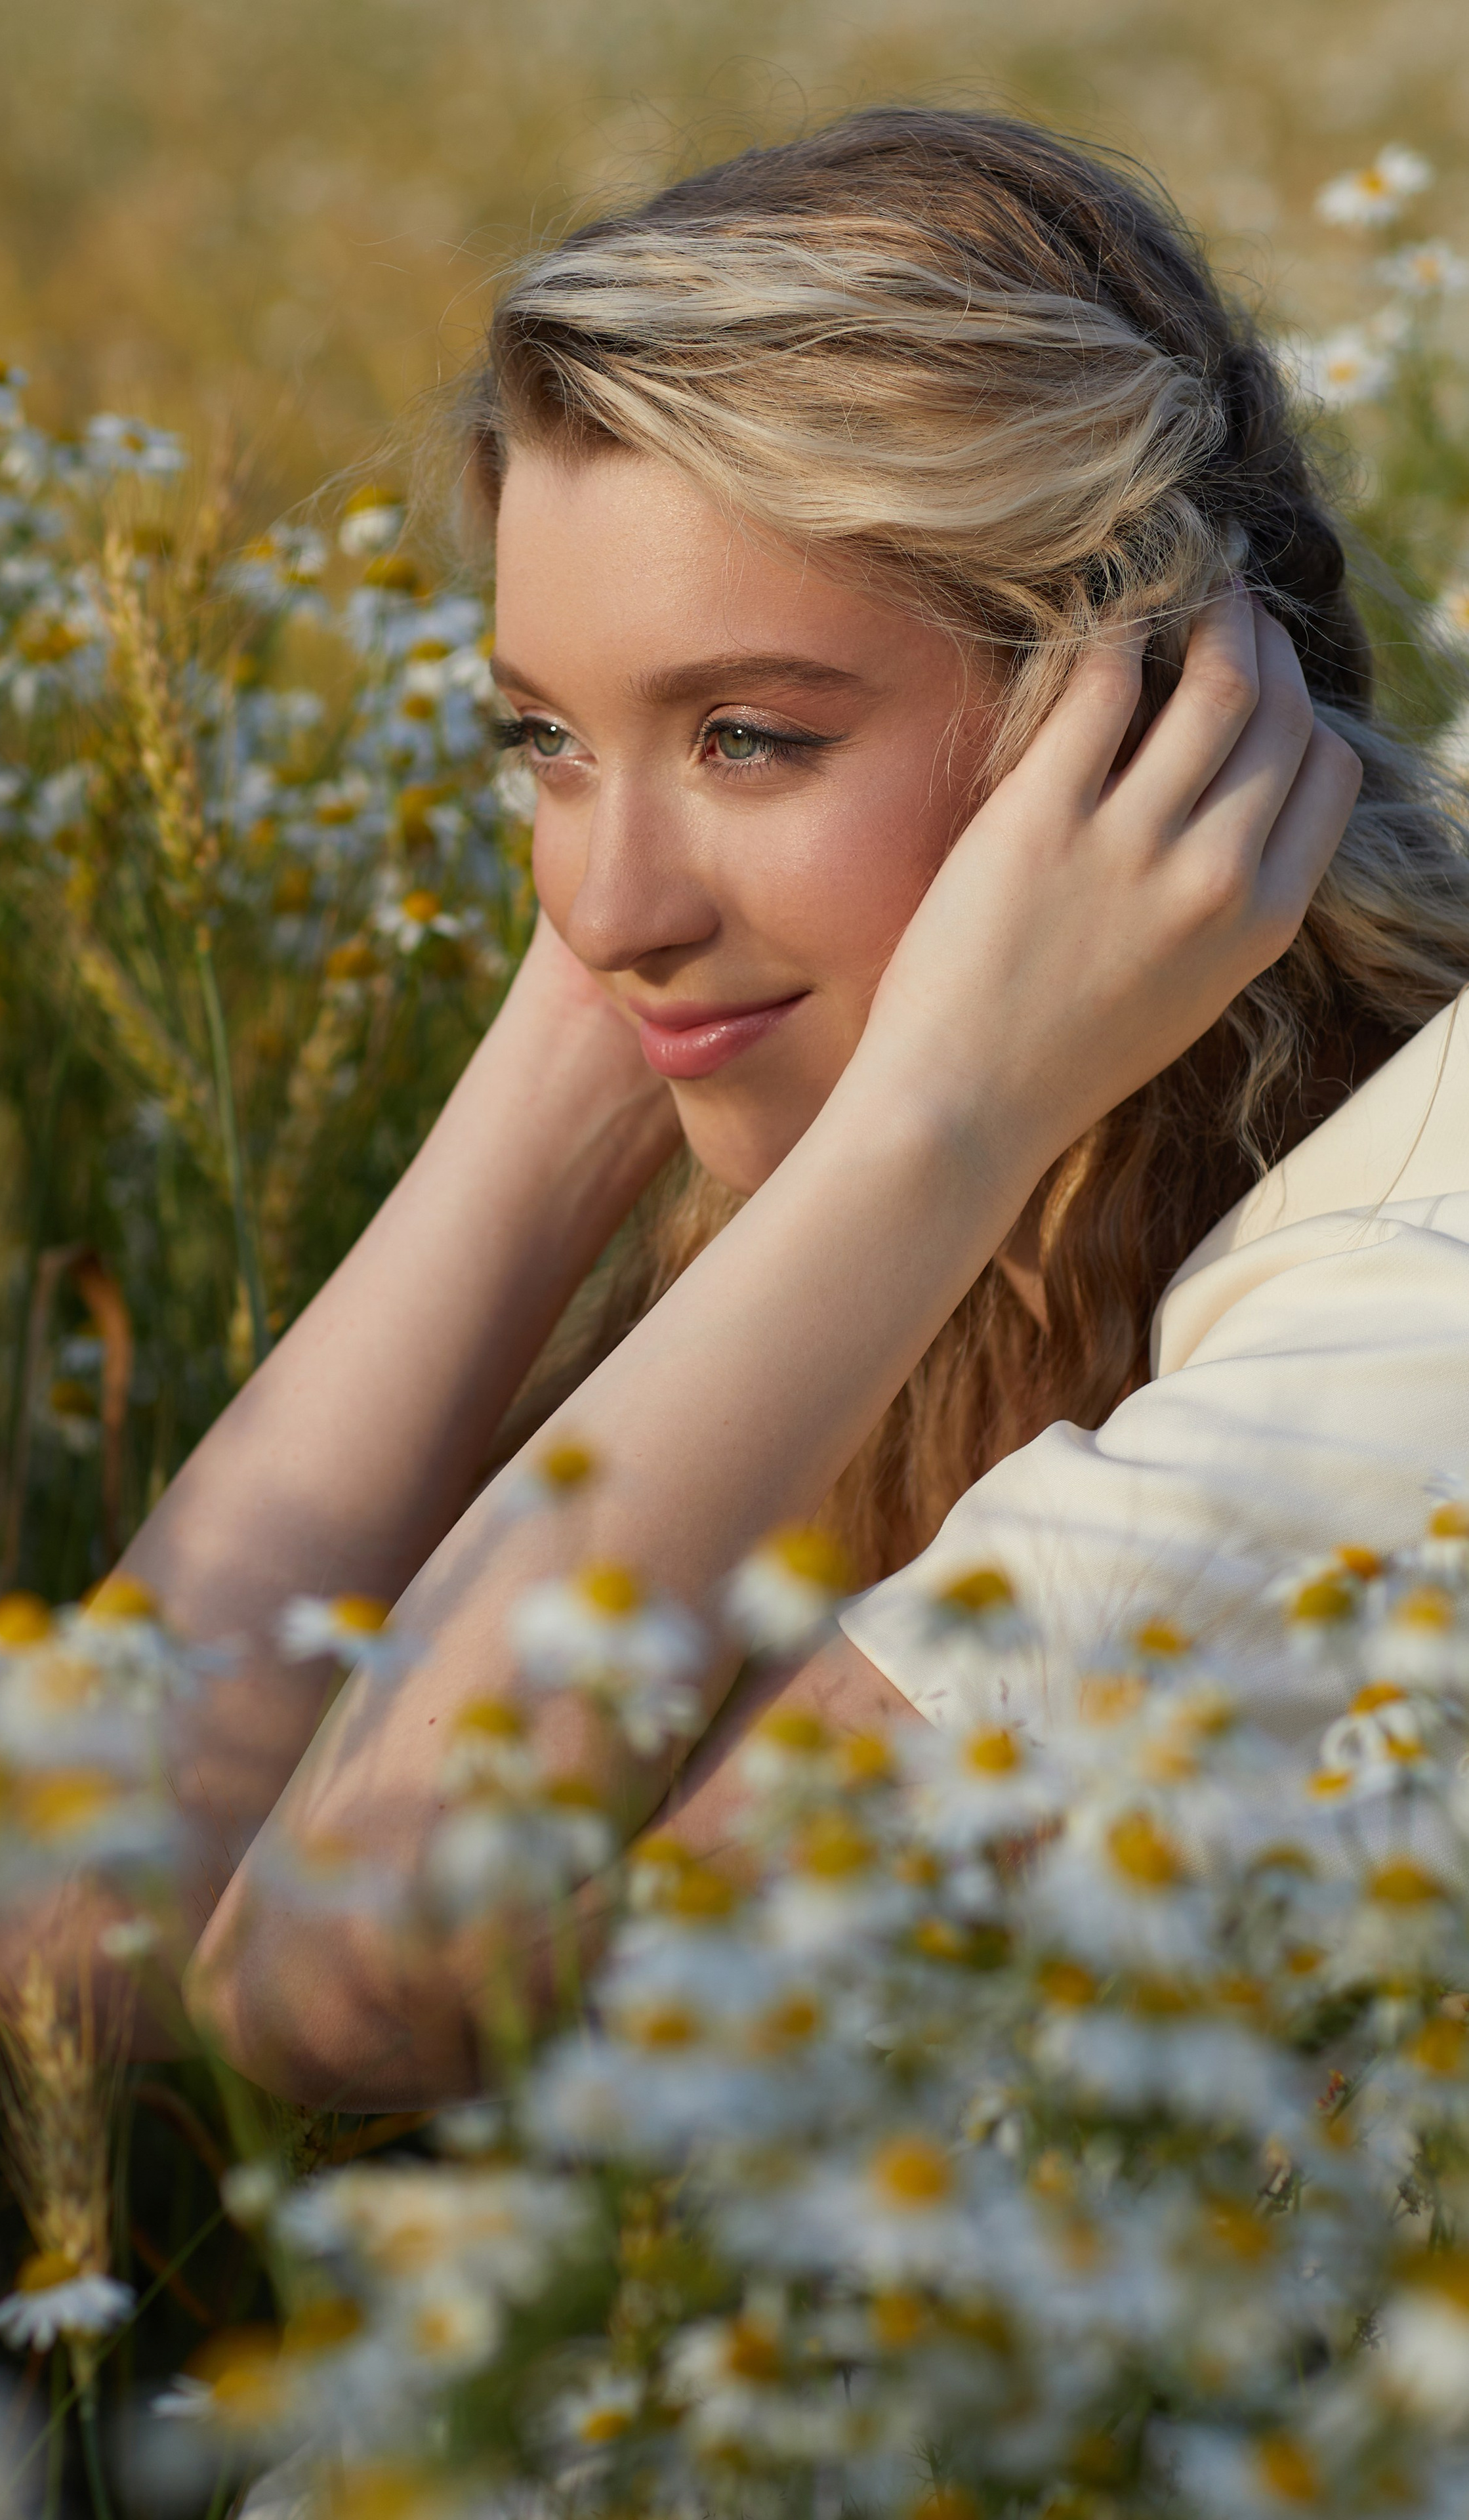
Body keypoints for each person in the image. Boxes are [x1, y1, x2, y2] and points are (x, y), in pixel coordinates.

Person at [119, 109, 1469, 2105]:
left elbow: (334, 1991)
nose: (594, 901)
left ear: (1160, 725)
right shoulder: (943, 1204)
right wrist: (598, 1043)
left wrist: (933, 1121)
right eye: (541, 742)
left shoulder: (1403, 1309)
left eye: (749, 735)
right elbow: (79, 1935)